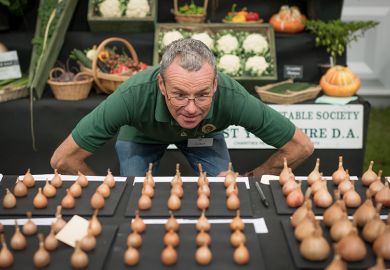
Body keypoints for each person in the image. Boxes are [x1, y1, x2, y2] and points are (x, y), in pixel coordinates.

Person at [50, 38, 313, 177]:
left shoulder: (233, 96)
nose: (190, 108)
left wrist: (253, 177)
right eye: (179, 95)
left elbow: (301, 146)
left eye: (202, 95)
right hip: (142, 134)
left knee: (227, 193)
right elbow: (62, 159)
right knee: (133, 195)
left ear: (215, 85)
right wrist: (102, 194)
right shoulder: (132, 95)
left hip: (204, 136)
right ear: (161, 85)